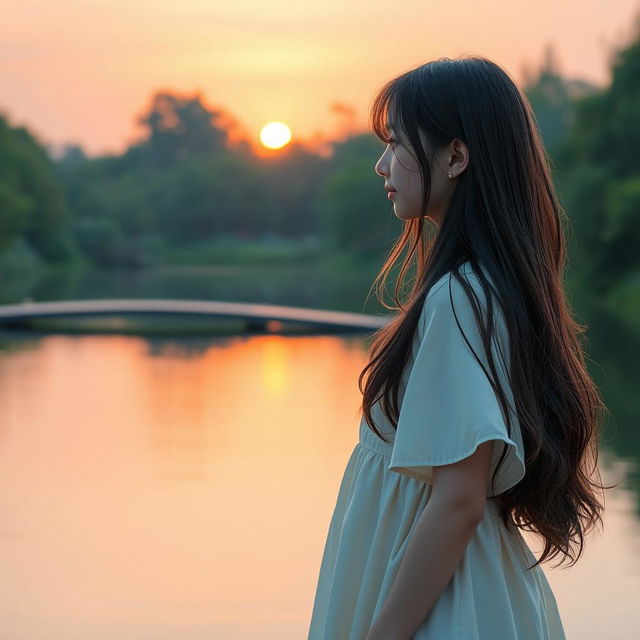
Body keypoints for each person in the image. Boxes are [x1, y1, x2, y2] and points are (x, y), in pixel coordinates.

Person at [307, 56, 611, 640]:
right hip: (457, 593)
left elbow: (459, 500)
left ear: (456, 156)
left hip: (444, 607)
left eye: (396, 143)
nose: (381, 164)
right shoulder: (487, 288)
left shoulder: (458, 298)